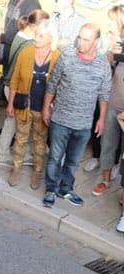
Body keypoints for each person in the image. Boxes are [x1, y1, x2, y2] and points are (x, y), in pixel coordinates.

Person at [42, 23, 111, 209]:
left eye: (86, 39)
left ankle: (66, 189)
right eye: (80, 37)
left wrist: (102, 119)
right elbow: (52, 85)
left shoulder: (102, 64)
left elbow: (104, 94)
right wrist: (46, 108)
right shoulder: (66, 57)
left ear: (96, 41)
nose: (80, 42)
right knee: (55, 157)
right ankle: (51, 189)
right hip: (61, 119)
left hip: (84, 123)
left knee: (73, 161)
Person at [7, 21, 58, 188]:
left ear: (51, 38)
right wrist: (10, 103)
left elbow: (60, 85)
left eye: (41, 36)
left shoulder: (58, 57)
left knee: (40, 141)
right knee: (20, 139)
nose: (36, 38)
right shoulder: (26, 52)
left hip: (43, 109)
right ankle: (16, 168)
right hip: (24, 106)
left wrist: (51, 108)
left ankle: (37, 172)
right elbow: (15, 79)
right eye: (35, 34)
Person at [91, 4, 124, 198]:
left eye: (112, 20)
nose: (109, 23)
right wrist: (112, 53)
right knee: (108, 143)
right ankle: (105, 179)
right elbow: (106, 66)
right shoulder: (109, 41)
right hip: (113, 100)